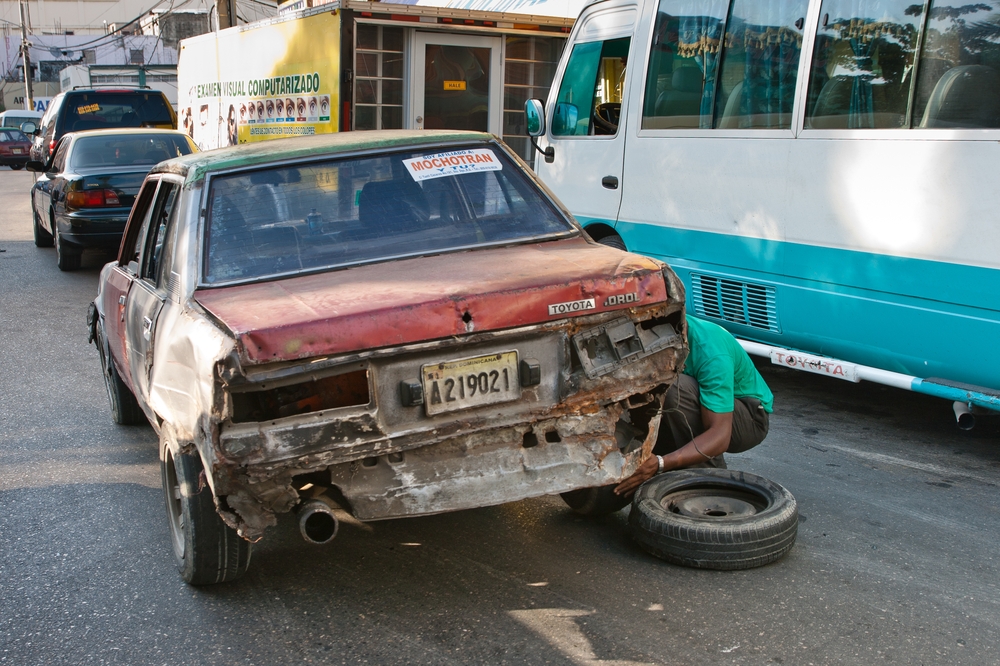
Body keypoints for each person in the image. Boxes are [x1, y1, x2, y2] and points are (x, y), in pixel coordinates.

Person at [614, 314, 774, 497]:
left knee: (673, 388)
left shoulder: (710, 351)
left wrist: (660, 462)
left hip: (747, 417)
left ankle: (709, 484)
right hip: (696, 408)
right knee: (656, 389)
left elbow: (720, 435)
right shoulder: (649, 326)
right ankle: (668, 470)